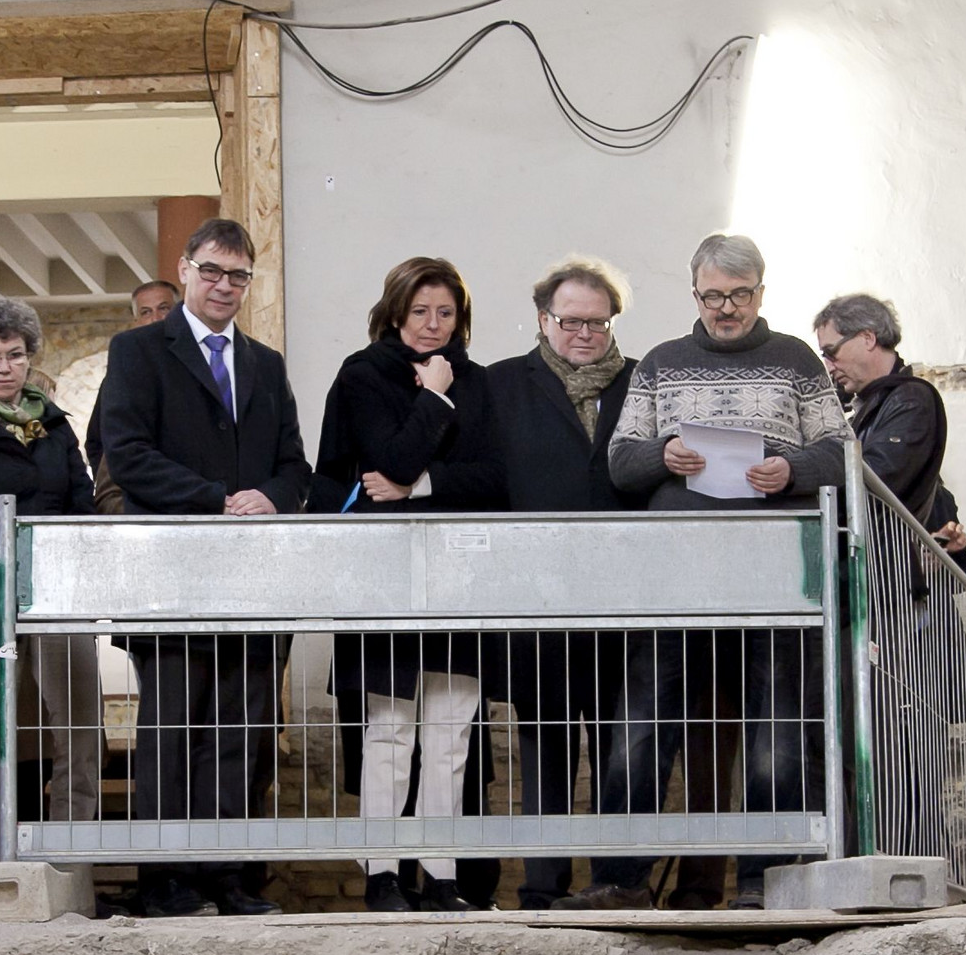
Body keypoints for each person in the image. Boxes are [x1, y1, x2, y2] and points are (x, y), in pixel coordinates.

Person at [564, 232, 850, 911]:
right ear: (695, 294)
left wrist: (792, 469)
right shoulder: (661, 364)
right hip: (676, 574)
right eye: (714, 295)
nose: (726, 308)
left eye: (740, 295)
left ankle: (766, 881)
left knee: (775, 728)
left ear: (761, 292)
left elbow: (842, 454)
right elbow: (621, 462)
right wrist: (665, 455)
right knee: (642, 722)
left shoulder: (797, 362)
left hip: (775, 575)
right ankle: (617, 882)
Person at [101, 216, 310, 918]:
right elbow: (126, 456)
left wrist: (270, 497)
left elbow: (294, 464)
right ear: (185, 269)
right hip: (172, 573)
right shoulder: (137, 353)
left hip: (254, 579)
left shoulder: (265, 364)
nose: (226, 286)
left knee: (240, 730)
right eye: (213, 271)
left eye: (239, 276)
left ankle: (226, 876)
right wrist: (216, 501)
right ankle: (167, 879)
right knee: (172, 730)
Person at [311, 256, 504, 913]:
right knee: (390, 730)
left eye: (445, 313)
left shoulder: (480, 382)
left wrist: (420, 486)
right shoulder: (364, 375)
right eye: (420, 311)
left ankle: (441, 873)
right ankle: (383, 872)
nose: (432, 324)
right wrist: (434, 397)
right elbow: (384, 458)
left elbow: (496, 481)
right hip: (382, 574)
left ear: (461, 318)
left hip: (458, 575)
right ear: (395, 313)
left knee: (452, 734)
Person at [489, 254, 638, 908]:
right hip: (535, 599)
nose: (585, 333)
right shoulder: (500, 385)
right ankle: (541, 887)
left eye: (599, 323)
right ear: (543, 319)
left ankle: (613, 881)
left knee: (618, 748)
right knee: (543, 749)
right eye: (572, 320)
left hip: (620, 601)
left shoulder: (639, 383)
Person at [0, 291, 102, 865]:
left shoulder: (56, 426)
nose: (5, 367)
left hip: (60, 595)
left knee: (80, 731)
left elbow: (83, 503)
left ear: (30, 357)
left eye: (15, 354)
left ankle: (70, 857)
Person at [812, 292, 966, 544]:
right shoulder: (867, 406)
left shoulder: (912, 399)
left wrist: (803, 477)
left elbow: (873, 482)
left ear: (867, 338)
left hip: (882, 570)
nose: (829, 366)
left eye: (831, 352)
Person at [85, 279, 180, 480]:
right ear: (136, 321)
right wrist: (112, 487)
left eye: (164, 308)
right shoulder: (120, 377)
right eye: (146, 312)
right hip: (134, 494)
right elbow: (96, 441)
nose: (156, 318)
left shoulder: (201, 367)